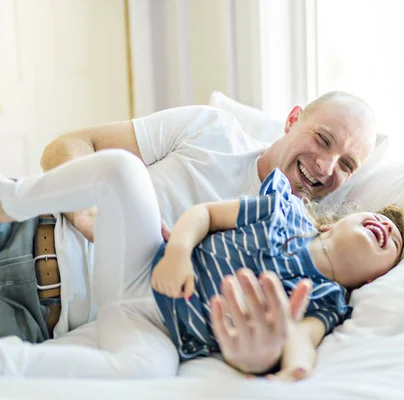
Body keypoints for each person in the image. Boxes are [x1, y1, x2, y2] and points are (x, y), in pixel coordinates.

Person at [0, 91, 378, 372]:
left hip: (39, 322)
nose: (327, 167)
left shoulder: (305, 259)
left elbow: (275, 346)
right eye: (323, 139)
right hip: (25, 226)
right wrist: (85, 212)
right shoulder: (212, 132)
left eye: (347, 164)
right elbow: (70, 145)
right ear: (293, 119)